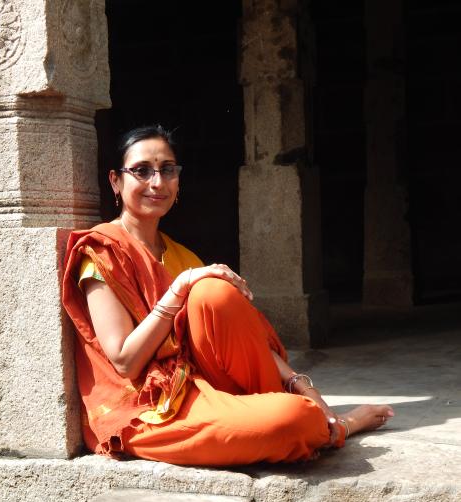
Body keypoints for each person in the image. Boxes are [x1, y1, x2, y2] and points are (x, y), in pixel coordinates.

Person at [62, 125, 394, 465]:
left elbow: (248, 344)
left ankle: (305, 415)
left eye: (167, 170)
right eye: (142, 171)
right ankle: (337, 428)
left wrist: (303, 385)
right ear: (116, 181)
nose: (157, 182)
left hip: (198, 385)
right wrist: (179, 289)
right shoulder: (102, 251)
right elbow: (124, 361)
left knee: (213, 293)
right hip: (145, 409)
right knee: (295, 419)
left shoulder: (182, 256)